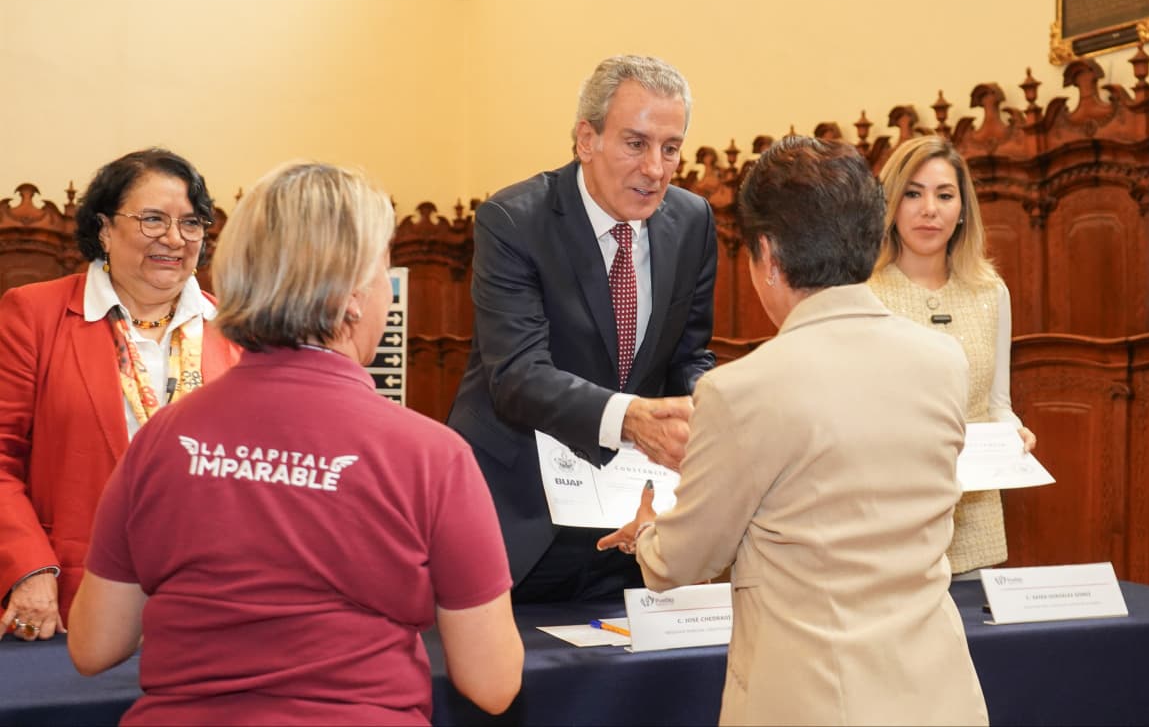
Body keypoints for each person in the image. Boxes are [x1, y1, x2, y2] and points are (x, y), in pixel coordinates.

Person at [68, 162, 522, 723]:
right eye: (385, 271)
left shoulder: (163, 436)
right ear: (352, 296)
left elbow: (94, 645)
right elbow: (492, 682)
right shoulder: (432, 456)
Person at [598, 135, 988, 726]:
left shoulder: (741, 390)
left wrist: (649, 531)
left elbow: (683, 558)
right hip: (939, 694)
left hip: (817, 699)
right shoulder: (944, 361)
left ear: (768, 254)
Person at [447, 54, 718, 603]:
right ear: (586, 139)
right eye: (636, 144)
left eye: (671, 148)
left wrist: (709, 409)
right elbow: (518, 375)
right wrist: (632, 419)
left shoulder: (693, 221)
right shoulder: (514, 220)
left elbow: (689, 355)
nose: (656, 169)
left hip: (631, 522)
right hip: (521, 516)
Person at [0, 148, 239, 642]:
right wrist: (28, 568)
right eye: (153, 219)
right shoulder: (33, 315)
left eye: (191, 222)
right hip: (68, 606)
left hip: (209, 608)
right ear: (104, 228)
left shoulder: (237, 332)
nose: (174, 238)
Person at [867, 134, 1037, 576]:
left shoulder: (990, 291)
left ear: (962, 209)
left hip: (975, 513)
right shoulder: (863, 293)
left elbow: (997, 404)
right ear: (890, 204)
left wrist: (1014, 434)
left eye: (944, 195)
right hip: (891, 516)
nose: (930, 209)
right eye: (913, 194)